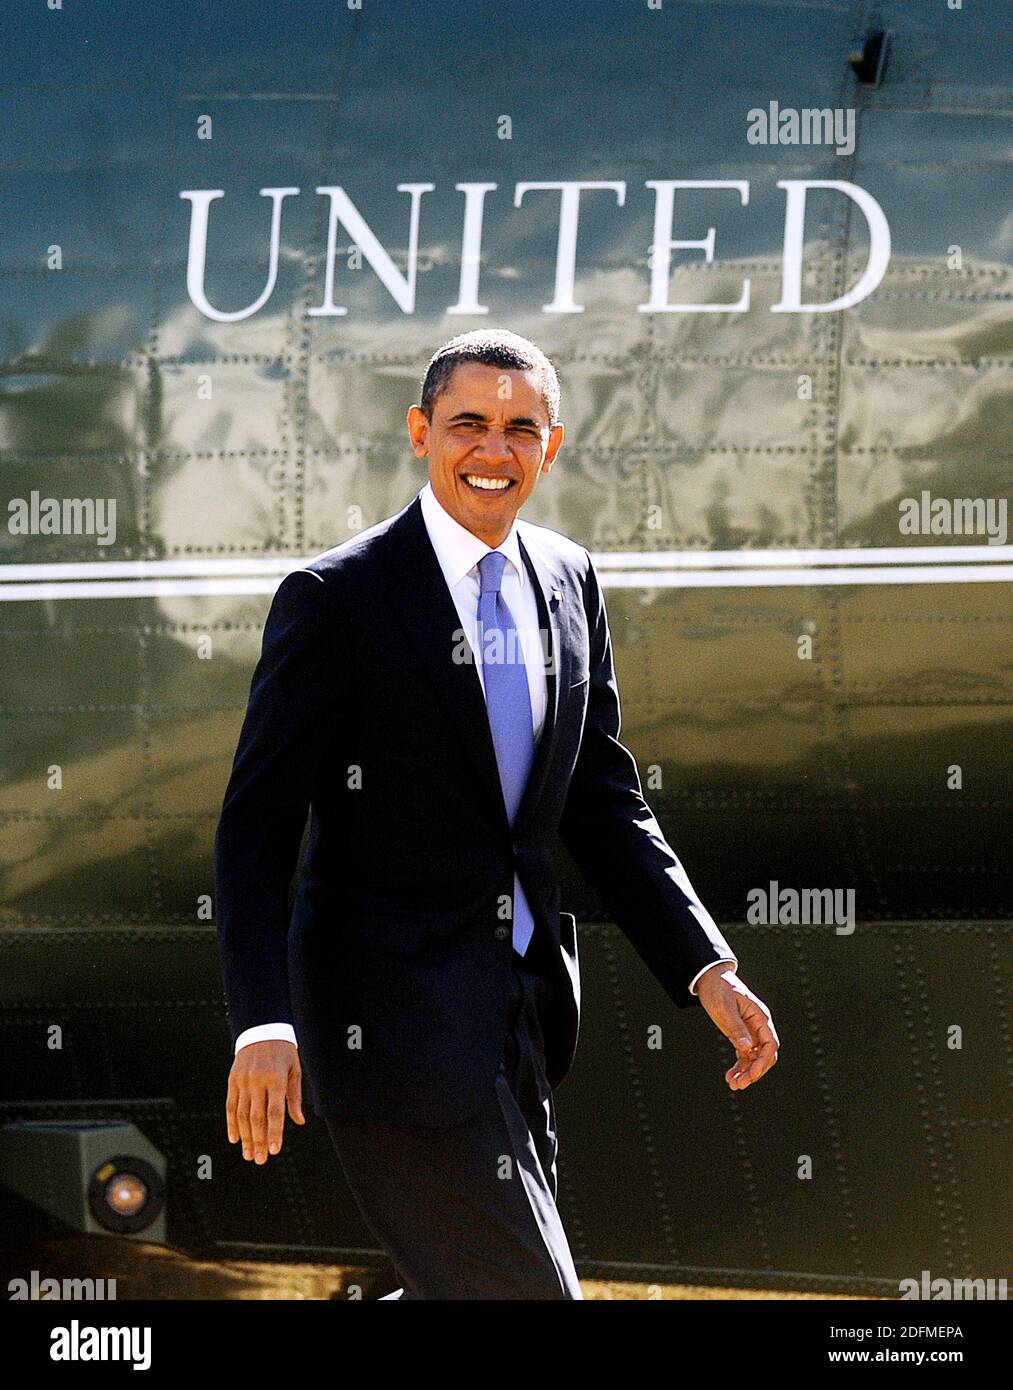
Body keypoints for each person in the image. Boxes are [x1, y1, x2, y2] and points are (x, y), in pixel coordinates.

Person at [213, 328, 779, 1300]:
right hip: (384, 1029)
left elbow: (599, 793)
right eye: (467, 423)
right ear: (419, 432)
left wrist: (703, 962)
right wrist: (260, 1020)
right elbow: (256, 826)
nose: (493, 449)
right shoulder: (337, 598)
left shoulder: (566, 581)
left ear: (549, 446)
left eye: (520, 428)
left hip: (516, 1019)